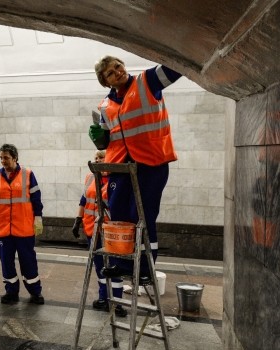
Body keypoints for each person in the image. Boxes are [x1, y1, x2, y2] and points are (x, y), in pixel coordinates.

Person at [88, 56, 182, 285]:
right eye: (110, 72)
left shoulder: (147, 82)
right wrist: (99, 140)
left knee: (143, 215)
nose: (117, 72)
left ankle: (146, 268)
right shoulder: (105, 107)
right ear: (105, 81)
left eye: (118, 66)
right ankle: (122, 264)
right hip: (120, 166)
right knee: (119, 212)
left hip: (152, 163)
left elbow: (178, 66)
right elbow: (106, 141)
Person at [0, 144, 45, 305]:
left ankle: (35, 293)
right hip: (2, 228)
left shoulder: (28, 174)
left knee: (28, 261)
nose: (3, 161)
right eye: (1, 157)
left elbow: (36, 198)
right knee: (6, 262)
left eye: (6, 158)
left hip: (23, 228)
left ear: (15, 158)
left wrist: (38, 218)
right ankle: (11, 292)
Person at [72, 150, 126, 317]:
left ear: (110, 159)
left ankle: (117, 302)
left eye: (101, 157)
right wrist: (77, 220)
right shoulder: (90, 177)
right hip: (91, 230)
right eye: (96, 157)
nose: (97, 160)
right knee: (100, 266)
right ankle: (104, 298)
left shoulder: (116, 179)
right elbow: (83, 201)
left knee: (114, 266)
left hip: (110, 232)